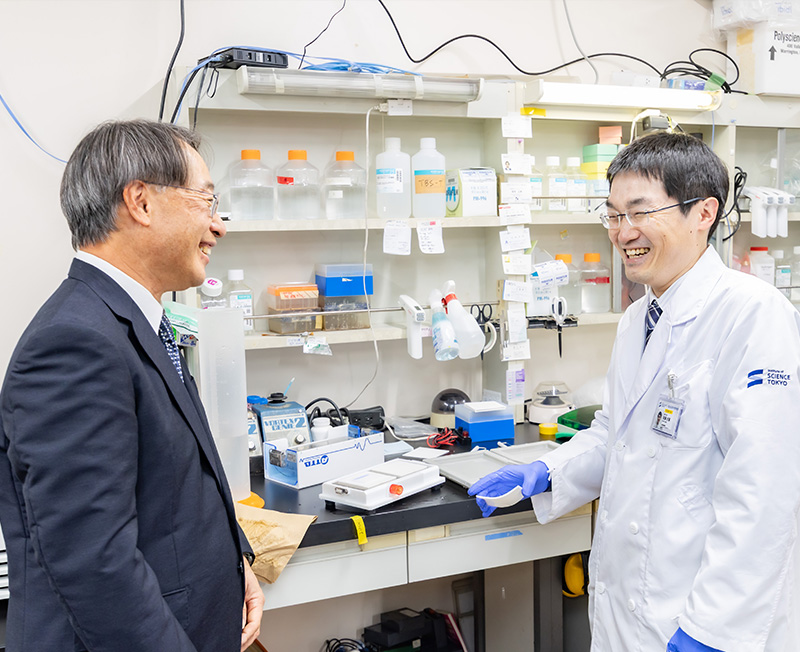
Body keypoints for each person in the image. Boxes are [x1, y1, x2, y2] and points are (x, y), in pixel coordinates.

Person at [469, 132, 800, 652]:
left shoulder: (753, 315)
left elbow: (764, 492)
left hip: (702, 613)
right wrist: (549, 470)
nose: (623, 233)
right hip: (633, 606)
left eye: (641, 212)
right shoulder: (637, 319)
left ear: (704, 212)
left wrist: (713, 631)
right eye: (613, 215)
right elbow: (617, 435)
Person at [0, 120, 264, 651]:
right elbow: (94, 563)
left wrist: (237, 562)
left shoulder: (138, 321)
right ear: (141, 202)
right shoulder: (75, 342)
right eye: (206, 201)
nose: (218, 226)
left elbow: (175, 481)